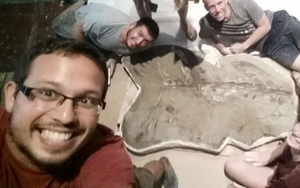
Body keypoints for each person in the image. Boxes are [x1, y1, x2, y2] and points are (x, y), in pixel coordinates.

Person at [0, 39, 177, 188]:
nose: (66, 117)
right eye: (48, 93)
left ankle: (162, 166)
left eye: (86, 100)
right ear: (11, 97)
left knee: (145, 177)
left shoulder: (106, 159)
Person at [224, 71, 300, 188]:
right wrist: (269, 155)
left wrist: (269, 155)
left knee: (232, 165)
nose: (297, 133)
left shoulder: (292, 179)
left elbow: (233, 165)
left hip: (292, 182)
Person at [52, 0, 160, 78]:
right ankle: (79, 1)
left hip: (98, 35)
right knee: (58, 27)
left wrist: (113, 58)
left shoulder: (143, 45)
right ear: (132, 25)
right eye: (140, 34)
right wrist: (81, 54)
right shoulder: (106, 23)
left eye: (145, 41)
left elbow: (122, 51)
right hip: (81, 19)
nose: (138, 42)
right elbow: (78, 27)